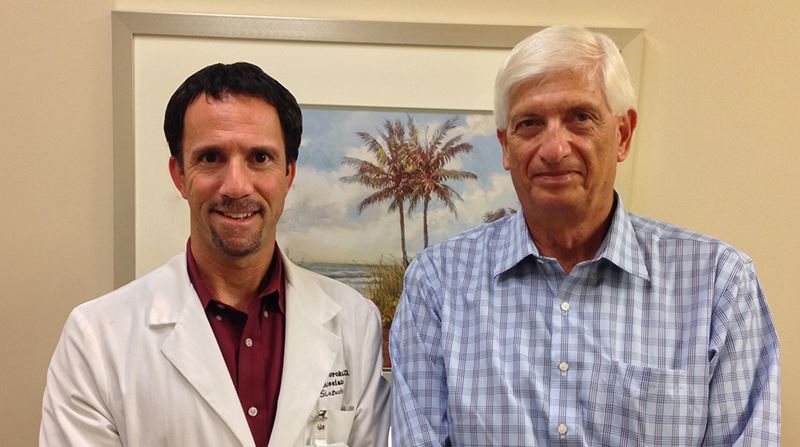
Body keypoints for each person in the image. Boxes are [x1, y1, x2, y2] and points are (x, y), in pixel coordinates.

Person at [390, 26, 780, 446]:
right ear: (505, 146)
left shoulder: (718, 284)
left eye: (580, 118)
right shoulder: (437, 284)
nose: (554, 149)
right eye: (530, 123)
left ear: (623, 135)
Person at [41, 62, 390, 447]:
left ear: (289, 174)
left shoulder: (355, 323)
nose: (236, 186)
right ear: (179, 175)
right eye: (211, 157)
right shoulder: (96, 339)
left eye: (260, 158)